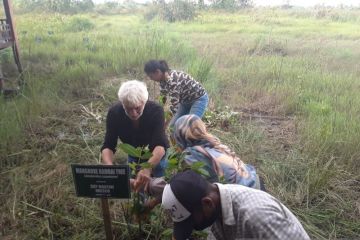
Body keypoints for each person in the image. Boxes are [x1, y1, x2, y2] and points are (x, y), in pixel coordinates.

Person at [141, 114, 262, 210]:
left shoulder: (191, 155)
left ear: (180, 136)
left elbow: (179, 187)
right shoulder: (213, 144)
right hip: (257, 185)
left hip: (245, 201)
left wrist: (151, 203)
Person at [162, 170, 310, 240]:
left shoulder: (257, 218)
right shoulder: (215, 208)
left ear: (207, 203)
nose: (193, 227)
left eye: (192, 222)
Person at [101, 80, 169, 190]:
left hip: (155, 154)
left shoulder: (156, 110)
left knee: (158, 183)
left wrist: (147, 168)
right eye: (128, 108)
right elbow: (108, 145)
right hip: (133, 152)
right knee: (138, 184)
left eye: (137, 108)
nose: (133, 113)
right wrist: (109, 168)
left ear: (144, 101)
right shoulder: (114, 113)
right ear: (122, 103)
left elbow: (160, 145)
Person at [144, 60, 209, 128]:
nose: (151, 79)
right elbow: (163, 98)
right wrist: (157, 112)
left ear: (157, 72)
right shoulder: (162, 80)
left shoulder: (173, 81)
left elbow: (174, 108)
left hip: (198, 100)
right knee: (173, 127)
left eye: (151, 76)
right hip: (184, 102)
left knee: (190, 127)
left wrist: (164, 125)